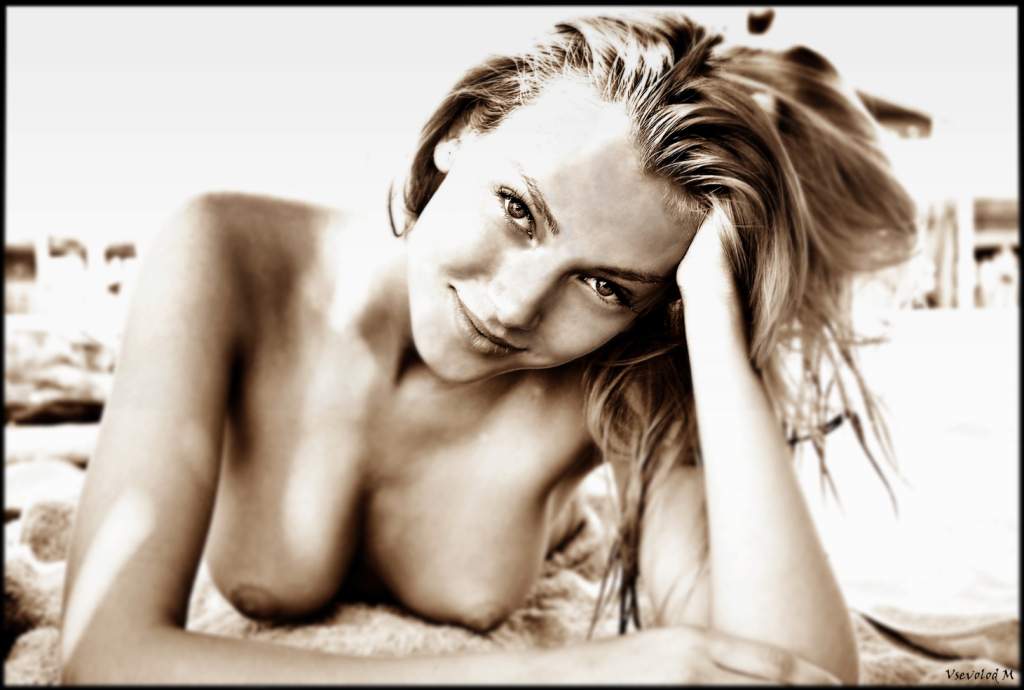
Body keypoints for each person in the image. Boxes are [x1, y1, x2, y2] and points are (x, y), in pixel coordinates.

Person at [59, 11, 916, 684]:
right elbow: (101, 659)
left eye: (603, 283)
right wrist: (562, 674)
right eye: (517, 209)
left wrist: (718, 325)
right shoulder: (224, 253)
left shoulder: (620, 374)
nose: (514, 305)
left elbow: (795, 671)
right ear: (461, 132)